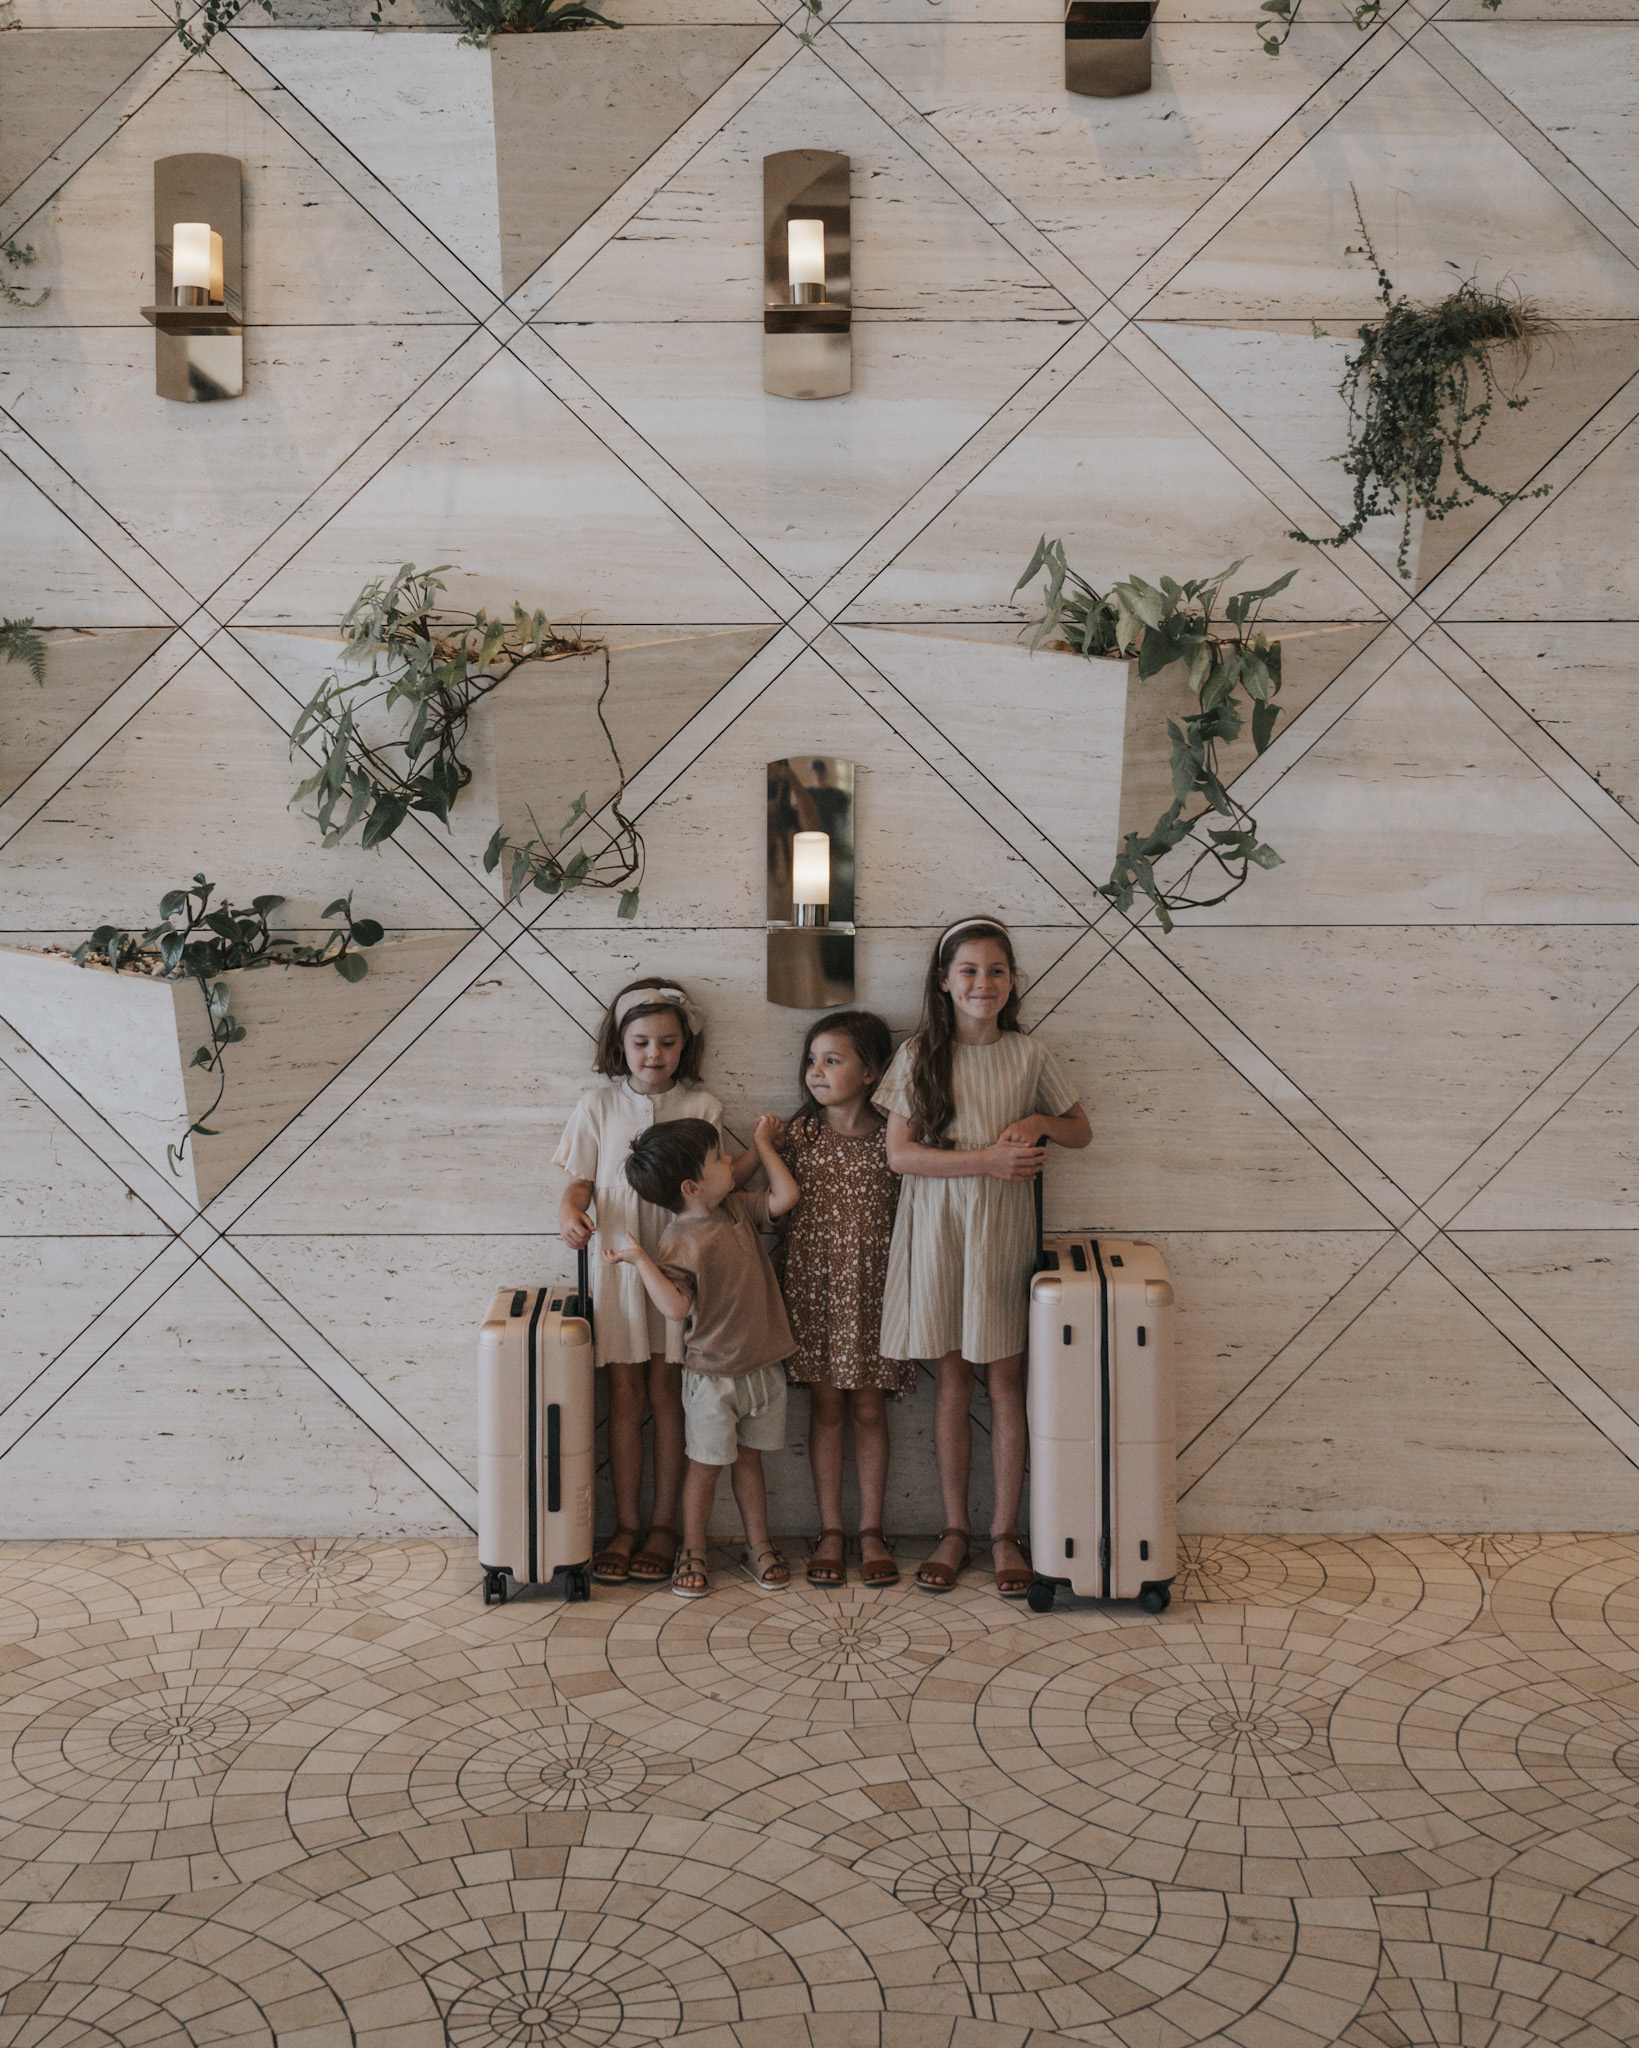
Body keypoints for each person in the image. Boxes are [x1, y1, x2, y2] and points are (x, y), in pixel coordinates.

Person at [875, 919, 1092, 1599]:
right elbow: (899, 1156)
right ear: (943, 982)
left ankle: (1003, 1534)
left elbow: (1080, 1130)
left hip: (1000, 1235)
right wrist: (988, 1160)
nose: (982, 984)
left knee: (1004, 1384)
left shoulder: (1029, 1055)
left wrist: (1037, 1124)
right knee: (950, 1385)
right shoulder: (917, 1055)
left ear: (1011, 982)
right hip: (936, 1235)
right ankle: (952, 1530)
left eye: (996, 971)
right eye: (967, 970)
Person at [554, 978, 728, 1588]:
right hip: (619, 1265)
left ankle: (664, 1526)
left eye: (668, 1043)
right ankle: (624, 1525)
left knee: (668, 1390)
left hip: (679, 1267)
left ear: (686, 1046)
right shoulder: (596, 1106)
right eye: (642, 1043)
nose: (655, 1054)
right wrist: (569, 1212)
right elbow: (580, 1180)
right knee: (624, 1396)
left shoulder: (703, 1107)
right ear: (620, 1045)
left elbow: (718, 1185)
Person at [608, 1116, 800, 1599]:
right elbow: (675, 1308)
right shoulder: (679, 1239)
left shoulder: (736, 1207)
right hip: (712, 1379)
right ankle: (691, 1548)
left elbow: (785, 1197)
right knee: (705, 1466)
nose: (731, 1163)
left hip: (763, 1369)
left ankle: (758, 1544)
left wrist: (763, 1145)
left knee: (750, 1462)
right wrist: (640, 1261)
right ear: (692, 1186)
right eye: (719, 1158)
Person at [772, 1010, 912, 1589]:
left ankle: (872, 1529)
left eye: (833, 1060)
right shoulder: (798, 1133)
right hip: (813, 1291)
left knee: (870, 1410)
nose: (817, 1072)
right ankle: (831, 1530)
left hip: (877, 1292)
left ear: (872, 1071)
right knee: (826, 1410)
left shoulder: (894, 1135)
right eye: (811, 1060)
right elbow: (758, 1195)